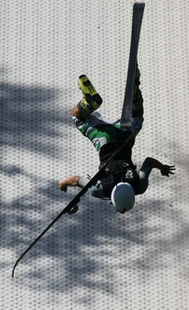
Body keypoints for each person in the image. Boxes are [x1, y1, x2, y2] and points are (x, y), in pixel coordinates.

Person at [58, 68, 175, 213]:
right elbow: (76, 180)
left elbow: (149, 161)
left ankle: (135, 91)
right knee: (76, 117)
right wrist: (63, 184)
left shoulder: (139, 186)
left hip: (125, 135)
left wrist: (162, 167)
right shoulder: (98, 191)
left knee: (136, 116)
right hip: (101, 136)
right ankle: (88, 104)